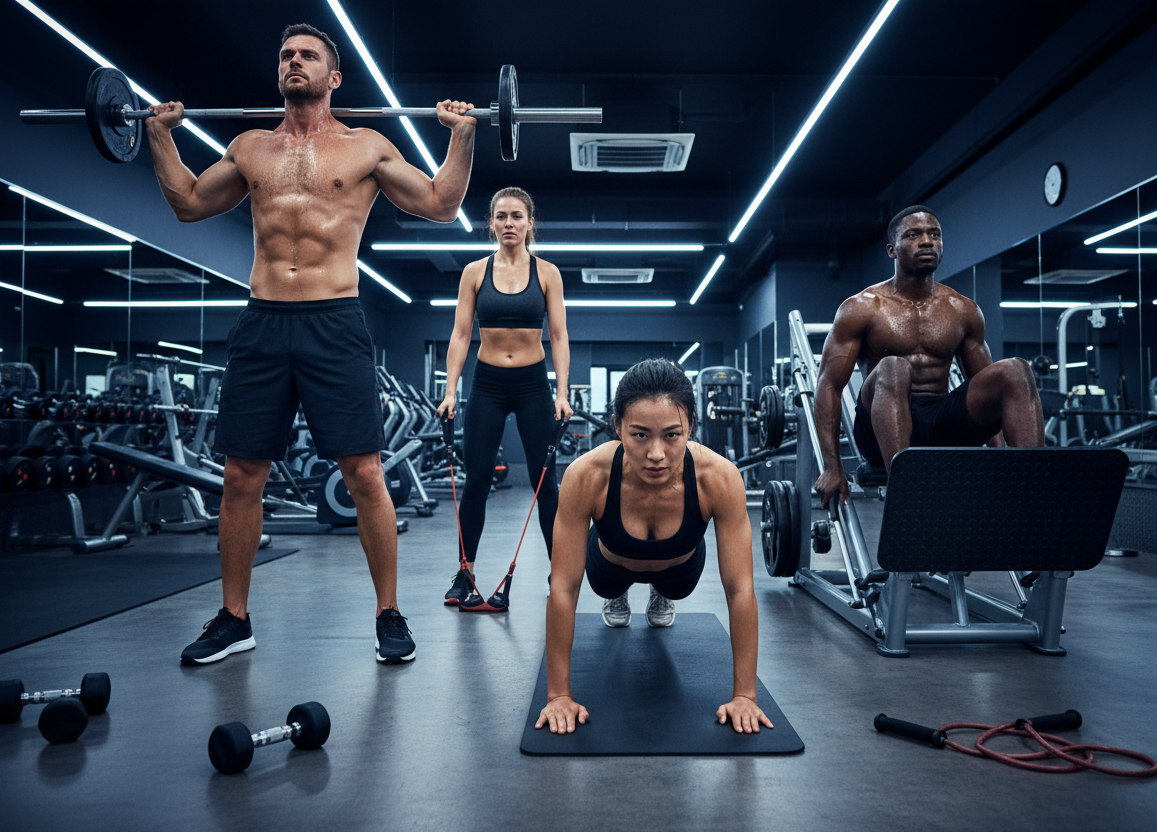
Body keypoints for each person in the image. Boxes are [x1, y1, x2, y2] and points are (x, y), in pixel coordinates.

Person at [145, 23, 476, 664]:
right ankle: (233, 618)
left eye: (308, 56)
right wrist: (160, 136)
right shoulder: (250, 148)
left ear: (334, 77)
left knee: (365, 473)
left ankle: (388, 614)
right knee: (241, 476)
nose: (294, 62)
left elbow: (440, 202)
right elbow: (188, 202)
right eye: (286, 55)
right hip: (263, 320)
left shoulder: (365, 147)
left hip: (334, 320)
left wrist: (461, 136)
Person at [535, 359, 773, 735]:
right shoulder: (586, 475)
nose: (656, 453)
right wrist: (558, 695)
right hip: (609, 567)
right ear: (617, 427)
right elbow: (563, 587)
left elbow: (740, 588)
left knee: (673, 587)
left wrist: (745, 695)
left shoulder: (719, 478)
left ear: (691, 426)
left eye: (672, 435)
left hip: (680, 572)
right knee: (608, 586)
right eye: (640, 435)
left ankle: (660, 594)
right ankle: (620, 595)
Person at [813, 205, 1043, 507]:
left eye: (934, 234)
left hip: (941, 421)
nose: (926, 241)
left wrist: (996, 457)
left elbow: (986, 389)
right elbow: (829, 386)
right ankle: (907, 499)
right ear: (892, 250)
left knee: (1015, 370)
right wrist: (832, 467)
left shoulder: (962, 309)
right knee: (894, 367)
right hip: (879, 431)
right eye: (913, 235)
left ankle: (1033, 494)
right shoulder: (862, 307)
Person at [436, 187, 571, 609]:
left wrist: (562, 393)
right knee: (476, 479)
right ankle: (465, 573)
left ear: (530, 222)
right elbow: (461, 335)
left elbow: (559, 336)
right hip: (488, 384)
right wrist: (450, 390)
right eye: (501, 216)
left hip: (532, 385)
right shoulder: (474, 272)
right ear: (491, 223)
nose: (508, 223)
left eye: (516, 216)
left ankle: (559, 573)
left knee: (544, 482)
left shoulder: (547, 273)